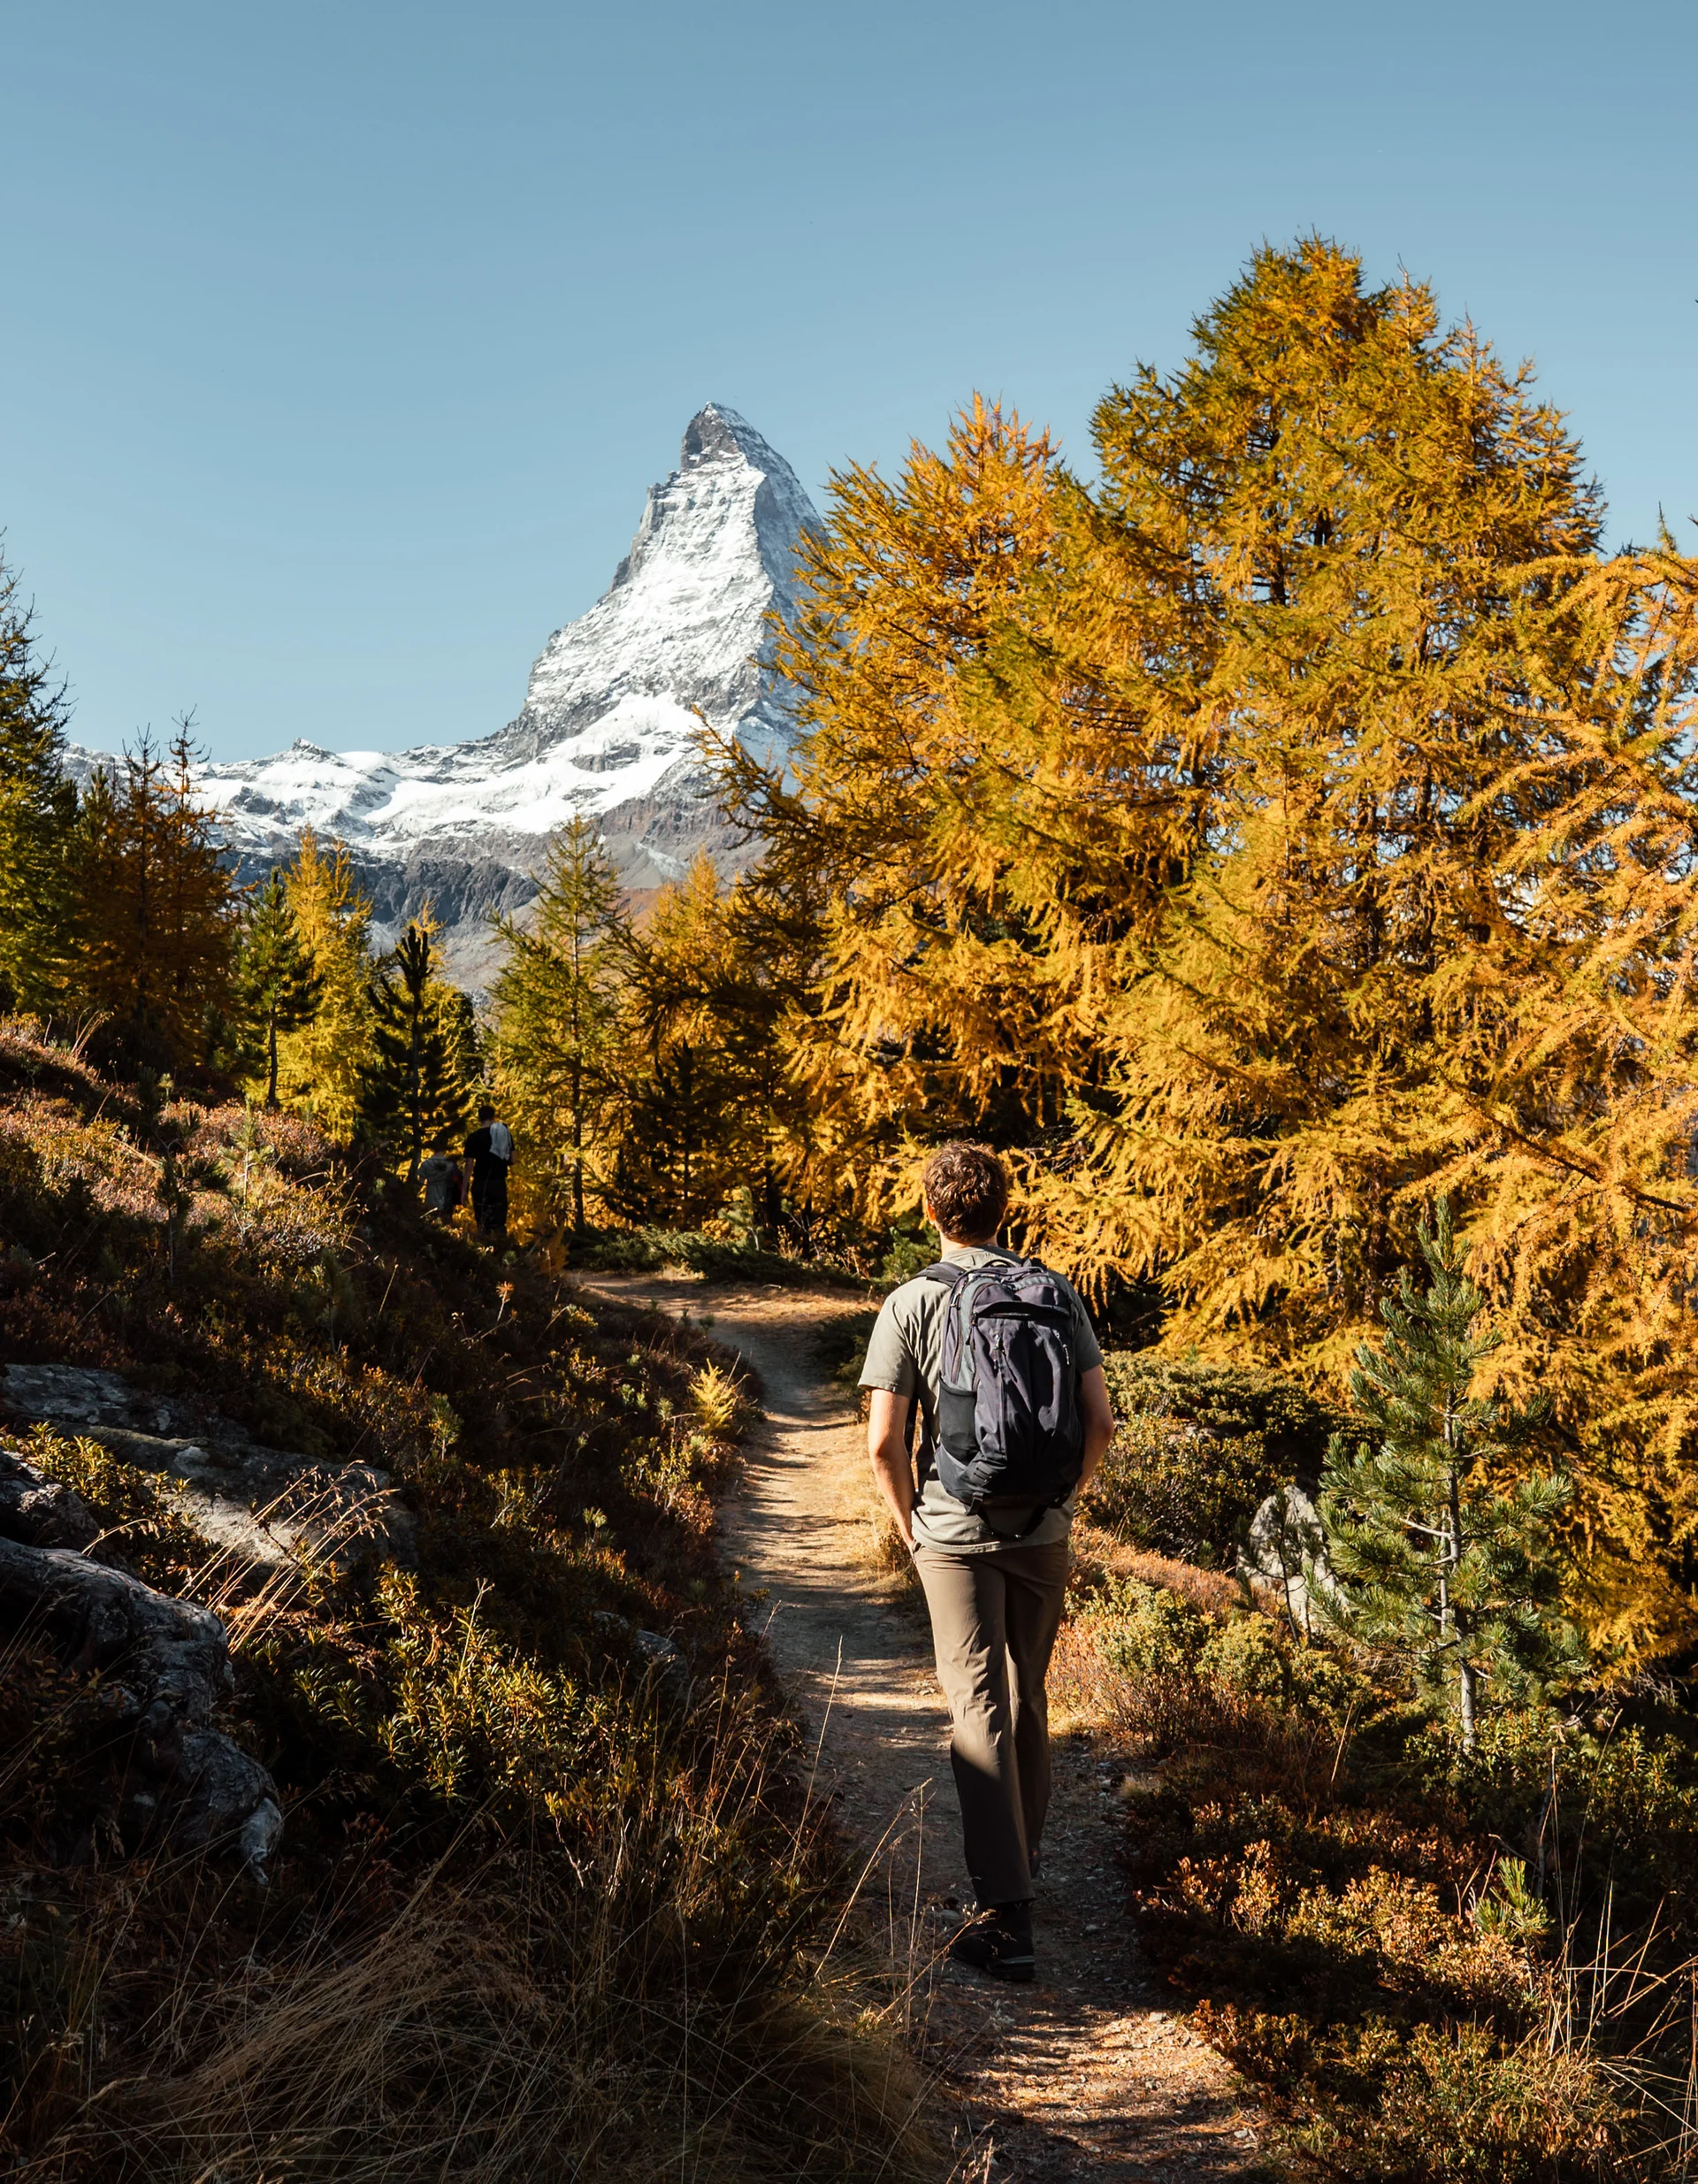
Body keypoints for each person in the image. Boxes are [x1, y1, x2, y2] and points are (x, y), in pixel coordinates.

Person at [859, 1143, 1115, 1983]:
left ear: (931, 1211)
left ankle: (1006, 1916)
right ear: (1003, 1210)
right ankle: (1022, 1864)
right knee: (1029, 1694)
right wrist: (1065, 1503)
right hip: (1043, 1531)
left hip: (954, 1530)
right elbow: (1100, 1422)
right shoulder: (1054, 1291)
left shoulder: (911, 1301)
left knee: (978, 1705)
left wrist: (909, 1526)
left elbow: (883, 1440)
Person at [463, 1103, 513, 1242]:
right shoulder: (504, 1134)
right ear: (493, 1116)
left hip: (480, 1183)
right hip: (498, 1183)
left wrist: (464, 1189)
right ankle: (502, 1254)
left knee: (482, 1222)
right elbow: (513, 1159)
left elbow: (469, 1165)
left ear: (479, 1118)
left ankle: (484, 1254)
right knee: (499, 1223)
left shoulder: (473, 1137)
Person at [418, 1132, 463, 1220]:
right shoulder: (451, 1164)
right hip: (446, 1201)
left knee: (430, 1222)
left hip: (430, 1200)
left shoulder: (426, 1164)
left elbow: (419, 1184)